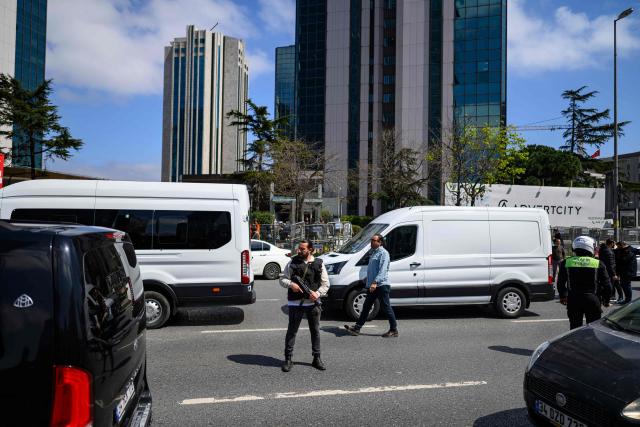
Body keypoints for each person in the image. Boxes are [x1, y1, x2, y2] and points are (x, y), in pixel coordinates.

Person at [279, 239, 330, 372]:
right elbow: (282, 278)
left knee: (315, 331)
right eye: (299, 248)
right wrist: (291, 285)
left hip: (312, 303)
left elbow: (326, 284)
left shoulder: (319, 263)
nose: (299, 251)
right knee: (292, 331)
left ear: (311, 250)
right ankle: (288, 358)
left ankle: (316, 358)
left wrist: (317, 294)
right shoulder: (293, 262)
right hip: (295, 303)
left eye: (302, 249)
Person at [344, 233, 398, 337]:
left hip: (381, 285)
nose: (371, 242)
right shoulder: (374, 252)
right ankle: (357, 328)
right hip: (373, 285)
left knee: (386, 307)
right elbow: (373, 269)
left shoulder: (384, 253)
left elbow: (383, 270)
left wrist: (374, 282)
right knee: (366, 307)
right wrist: (367, 279)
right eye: (371, 240)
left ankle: (394, 329)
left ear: (380, 242)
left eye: (374, 240)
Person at [557, 236, 612, 330]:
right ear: (590, 247)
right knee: (593, 329)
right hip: (592, 299)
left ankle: (575, 344)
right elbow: (607, 285)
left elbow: (561, 283)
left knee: (574, 328)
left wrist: (563, 296)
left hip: (573, 299)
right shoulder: (598, 263)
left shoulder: (566, 262)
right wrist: (606, 300)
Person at [597, 239, 617, 307]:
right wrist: (614, 274)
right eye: (613, 243)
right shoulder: (609, 251)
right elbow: (611, 264)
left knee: (602, 286)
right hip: (608, 272)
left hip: (602, 270)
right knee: (609, 287)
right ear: (611, 243)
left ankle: (603, 300)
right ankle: (606, 302)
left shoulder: (602, 249)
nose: (614, 245)